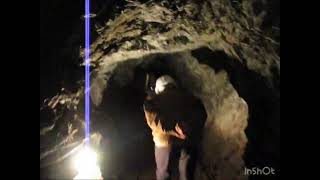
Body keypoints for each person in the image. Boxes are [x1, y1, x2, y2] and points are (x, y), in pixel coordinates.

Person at [143, 75, 206, 180]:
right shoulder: (190, 97)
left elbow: (153, 121)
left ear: (158, 89)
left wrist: (172, 130)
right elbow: (202, 114)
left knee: (163, 170)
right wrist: (189, 129)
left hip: (163, 141)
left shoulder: (153, 101)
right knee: (186, 170)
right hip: (186, 138)